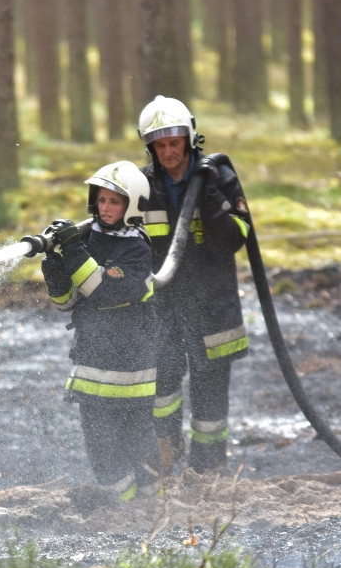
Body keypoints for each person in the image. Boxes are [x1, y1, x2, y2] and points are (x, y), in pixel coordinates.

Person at [136, 96, 252, 475]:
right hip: (162, 304)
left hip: (212, 304)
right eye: (160, 145)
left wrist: (211, 195)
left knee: (210, 397)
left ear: (189, 138)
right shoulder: (142, 186)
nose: (169, 153)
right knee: (161, 385)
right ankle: (166, 460)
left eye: (175, 143)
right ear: (150, 147)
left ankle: (208, 470)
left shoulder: (218, 177)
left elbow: (237, 237)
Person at [39, 161, 161, 501]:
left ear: (132, 205)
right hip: (93, 362)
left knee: (135, 441)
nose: (105, 208)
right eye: (102, 200)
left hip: (129, 368)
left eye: (115, 202)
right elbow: (68, 303)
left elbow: (104, 292)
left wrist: (75, 251)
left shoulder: (136, 248)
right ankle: (123, 506)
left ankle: (150, 504)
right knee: (101, 447)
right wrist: (56, 272)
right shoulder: (90, 238)